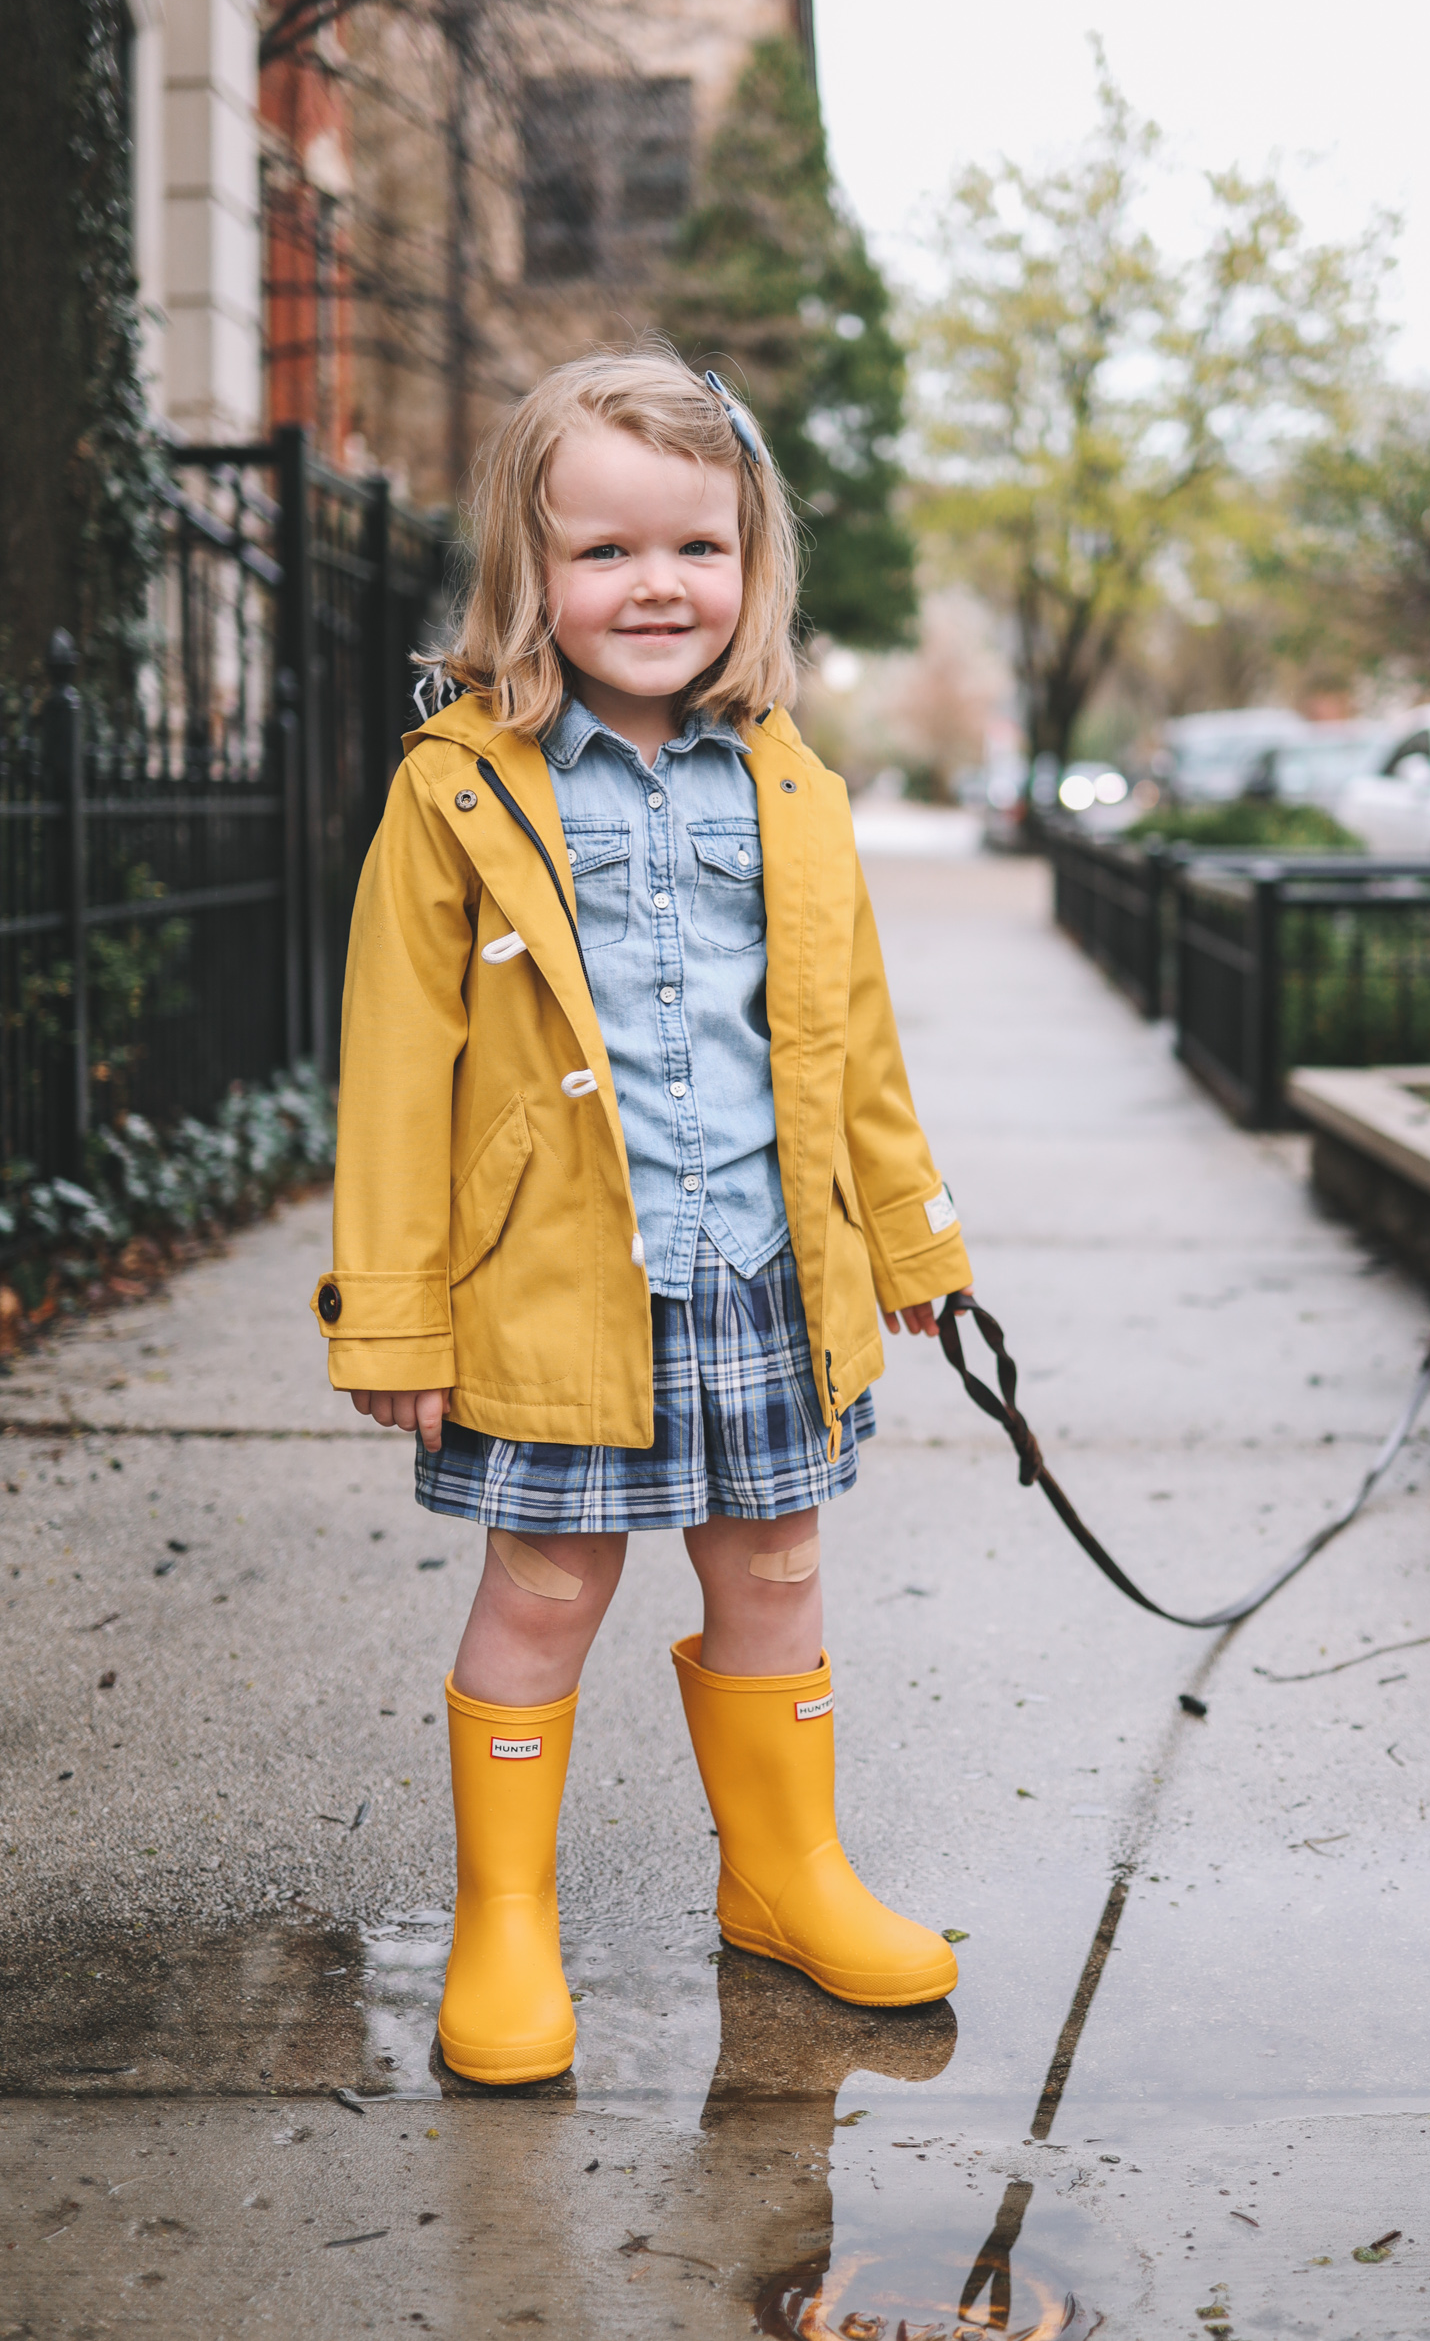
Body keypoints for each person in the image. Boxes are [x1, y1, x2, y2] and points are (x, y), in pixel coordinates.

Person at [312, 348, 973, 2085]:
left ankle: (787, 1875)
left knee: (777, 1562)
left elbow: (851, 1047)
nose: (656, 586)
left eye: (697, 547)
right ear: (529, 575)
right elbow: (394, 1064)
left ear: (752, 564)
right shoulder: (457, 789)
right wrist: (393, 1313)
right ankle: (507, 1927)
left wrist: (911, 1241)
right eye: (604, 552)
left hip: (762, 1270)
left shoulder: (795, 788)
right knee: (543, 1585)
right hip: (553, 1281)